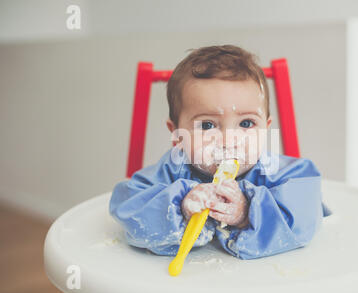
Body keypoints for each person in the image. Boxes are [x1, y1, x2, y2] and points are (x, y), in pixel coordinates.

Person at [109, 45, 331, 260]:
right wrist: (180, 206)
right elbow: (128, 205)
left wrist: (249, 212)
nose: (228, 141)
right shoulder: (172, 169)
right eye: (207, 125)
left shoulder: (276, 171)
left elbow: (306, 211)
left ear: (266, 127)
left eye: (246, 123)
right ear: (177, 134)